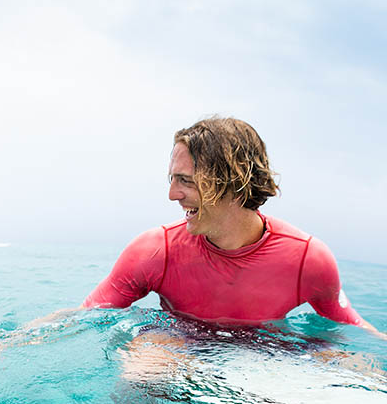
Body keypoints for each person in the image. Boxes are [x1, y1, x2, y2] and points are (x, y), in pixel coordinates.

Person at [83, 116, 384, 336]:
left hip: (263, 361)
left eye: (186, 181)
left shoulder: (308, 259)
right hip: (182, 352)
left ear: (233, 183)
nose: (172, 194)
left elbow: (352, 333)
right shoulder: (154, 250)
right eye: (172, 179)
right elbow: (83, 318)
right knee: (152, 353)